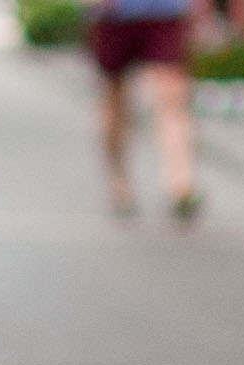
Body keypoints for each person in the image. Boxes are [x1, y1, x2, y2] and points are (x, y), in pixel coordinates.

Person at [90, 0, 202, 221]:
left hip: (165, 11)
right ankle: (119, 180)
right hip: (113, 14)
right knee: (114, 100)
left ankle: (181, 184)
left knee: (172, 95)